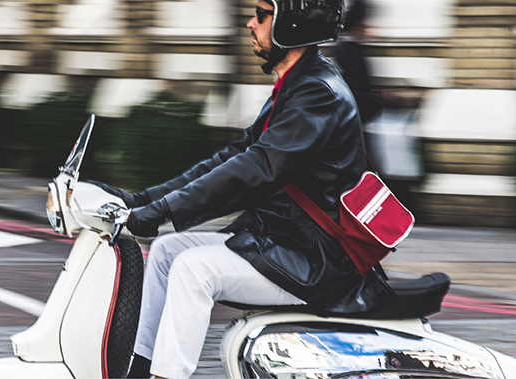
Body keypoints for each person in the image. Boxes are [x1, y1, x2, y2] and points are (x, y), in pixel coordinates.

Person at [91, 1, 393, 378]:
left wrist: (163, 211)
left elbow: (257, 167)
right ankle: (139, 369)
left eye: (263, 15)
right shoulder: (298, 85)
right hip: (285, 244)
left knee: (193, 269)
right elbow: (232, 157)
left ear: (293, 25)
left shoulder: (319, 94)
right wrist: (145, 201)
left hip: (316, 261)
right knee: (168, 251)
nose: (250, 23)